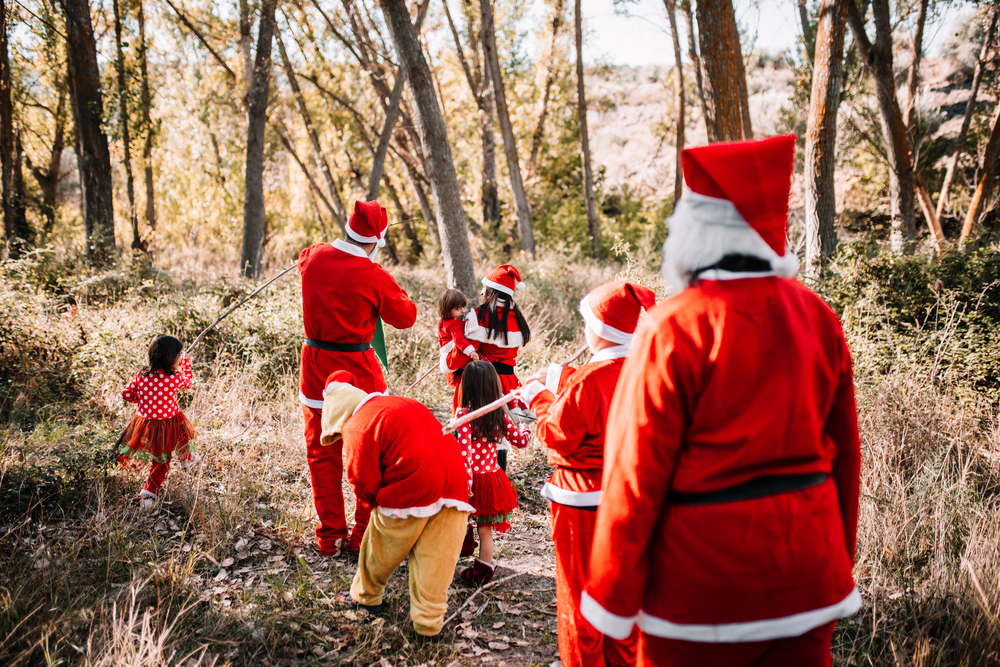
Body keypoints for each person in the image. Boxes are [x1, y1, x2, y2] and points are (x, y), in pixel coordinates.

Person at [581, 135, 862, 667]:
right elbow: (846, 456)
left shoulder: (675, 325)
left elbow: (635, 474)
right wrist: (835, 560)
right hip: (807, 574)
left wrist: (612, 594)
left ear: (696, 232)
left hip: (700, 586)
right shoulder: (818, 316)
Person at [520, 282, 656, 667]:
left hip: (583, 500)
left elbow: (556, 434)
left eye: (586, 322)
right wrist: (566, 384)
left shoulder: (588, 381)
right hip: (632, 495)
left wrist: (540, 397)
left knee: (580, 593)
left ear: (599, 330)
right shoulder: (646, 371)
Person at [298, 200, 418, 557]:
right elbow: (405, 316)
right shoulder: (373, 275)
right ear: (377, 239)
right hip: (359, 379)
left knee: (322, 456)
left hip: (316, 374)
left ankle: (330, 537)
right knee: (369, 456)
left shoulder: (314, 258)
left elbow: (305, 255)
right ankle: (361, 534)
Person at [319, 371, 473, 642]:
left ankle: (365, 597)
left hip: (411, 486)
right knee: (436, 559)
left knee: (379, 548)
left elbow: (362, 480)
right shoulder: (401, 403)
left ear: (338, 415)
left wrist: (375, 503)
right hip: (456, 482)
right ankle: (429, 626)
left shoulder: (357, 425)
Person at [453, 361, 530, 586]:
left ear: (467, 387)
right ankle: (483, 570)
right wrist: (525, 428)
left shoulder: (464, 415)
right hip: (492, 479)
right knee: (485, 529)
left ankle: (460, 557)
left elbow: (465, 455)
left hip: (472, 480)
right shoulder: (500, 414)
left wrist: (465, 487)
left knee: (459, 520)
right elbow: (521, 441)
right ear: (493, 387)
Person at [119, 334, 200, 509]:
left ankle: (151, 492)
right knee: (179, 438)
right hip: (168, 421)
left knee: (160, 459)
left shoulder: (142, 375)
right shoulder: (174, 377)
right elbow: (188, 383)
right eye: (179, 357)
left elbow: (125, 393)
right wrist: (187, 363)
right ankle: (150, 494)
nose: (180, 360)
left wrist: (142, 401)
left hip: (147, 423)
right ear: (171, 359)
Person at [464, 264, 532, 470]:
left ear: (492, 290)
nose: (482, 291)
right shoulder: (518, 319)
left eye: (485, 287)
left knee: (479, 429)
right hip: (508, 381)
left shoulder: (478, 316)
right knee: (501, 430)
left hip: (483, 381)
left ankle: (480, 477)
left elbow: (470, 353)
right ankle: (498, 477)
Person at [437, 288, 479, 395]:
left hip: (445, 346)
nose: (463, 311)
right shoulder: (455, 323)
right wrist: (471, 351)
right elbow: (459, 339)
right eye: (457, 308)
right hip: (451, 346)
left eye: (463, 306)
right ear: (447, 310)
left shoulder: (444, 320)